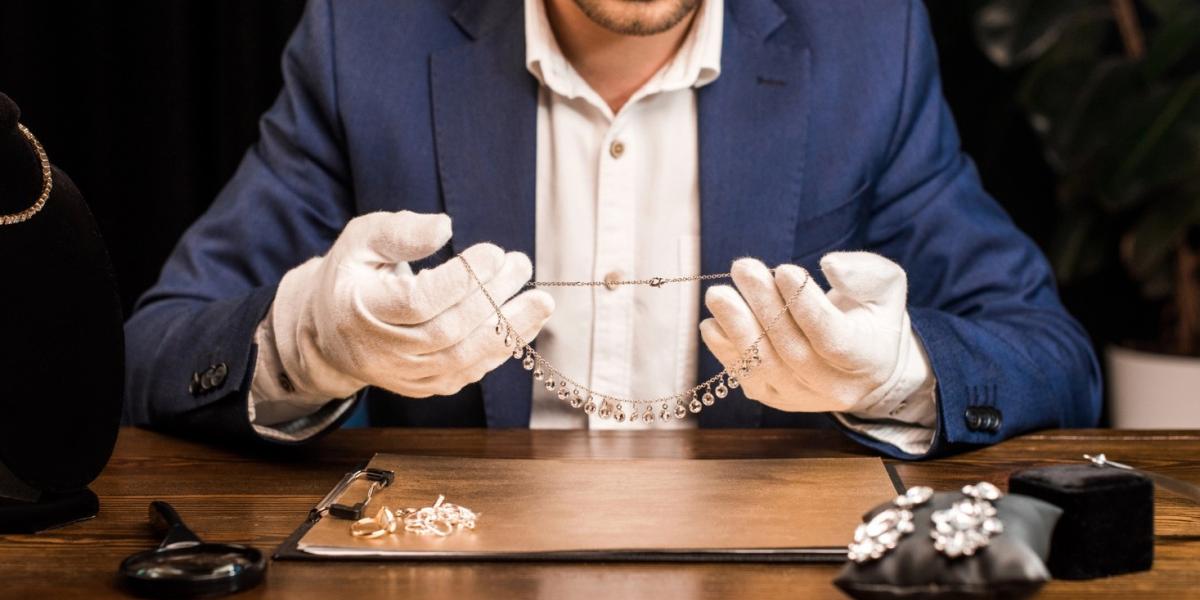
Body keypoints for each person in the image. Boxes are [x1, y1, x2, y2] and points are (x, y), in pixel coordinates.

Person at [124, 0, 1101, 458]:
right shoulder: (365, 39)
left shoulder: (865, 43)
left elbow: (1050, 356)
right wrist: (307, 339)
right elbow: (151, 353)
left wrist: (899, 374)